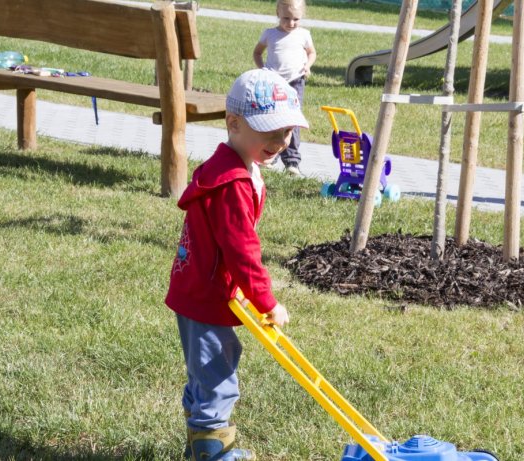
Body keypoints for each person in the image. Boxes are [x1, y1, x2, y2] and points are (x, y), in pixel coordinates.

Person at [165, 68, 309, 461]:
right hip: (207, 296)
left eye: (287, 132)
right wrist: (266, 302)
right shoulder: (231, 183)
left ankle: (202, 447)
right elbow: (243, 250)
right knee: (217, 376)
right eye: (271, 132)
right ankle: (213, 454)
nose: (280, 142)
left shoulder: (233, 164)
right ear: (234, 124)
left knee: (205, 373)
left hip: (197, 289)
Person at [252, 0, 316, 178]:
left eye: (296, 19)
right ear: (277, 13)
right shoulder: (270, 34)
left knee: (292, 120)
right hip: (274, 82)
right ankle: (270, 155)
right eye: (286, 18)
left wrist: (308, 66)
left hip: (295, 81)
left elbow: (312, 52)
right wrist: (262, 68)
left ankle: (292, 161)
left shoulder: (304, 34)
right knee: (273, 117)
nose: (291, 23)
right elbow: (257, 52)